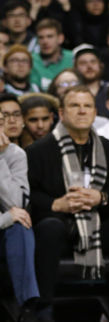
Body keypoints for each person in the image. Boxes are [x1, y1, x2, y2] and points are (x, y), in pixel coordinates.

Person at [28, 85, 109, 321]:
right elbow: (30, 194)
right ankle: (43, 308)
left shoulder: (108, 148)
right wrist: (55, 204)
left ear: (94, 112)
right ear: (61, 113)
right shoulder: (38, 150)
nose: (82, 111)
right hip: (59, 227)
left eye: (87, 106)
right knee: (50, 227)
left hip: (97, 224)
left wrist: (100, 197)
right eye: (75, 105)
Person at [0, 108, 39, 321]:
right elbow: (10, 212)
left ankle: (27, 307)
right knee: (14, 221)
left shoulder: (14, 154)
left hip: (4, 233)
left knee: (20, 226)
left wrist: (0, 158)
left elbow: (16, 203)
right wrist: (6, 218)